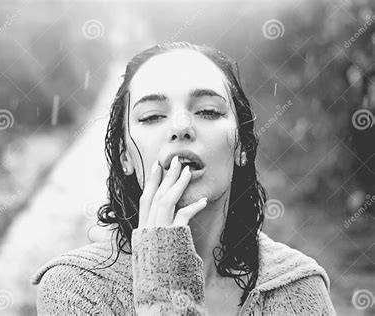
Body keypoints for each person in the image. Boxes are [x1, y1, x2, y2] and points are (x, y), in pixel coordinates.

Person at [31, 42, 337, 315]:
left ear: (241, 145)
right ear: (125, 155)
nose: (181, 127)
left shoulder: (298, 287)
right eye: (152, 116)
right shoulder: (76, 287)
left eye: (207, 111)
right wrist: (163, 279)